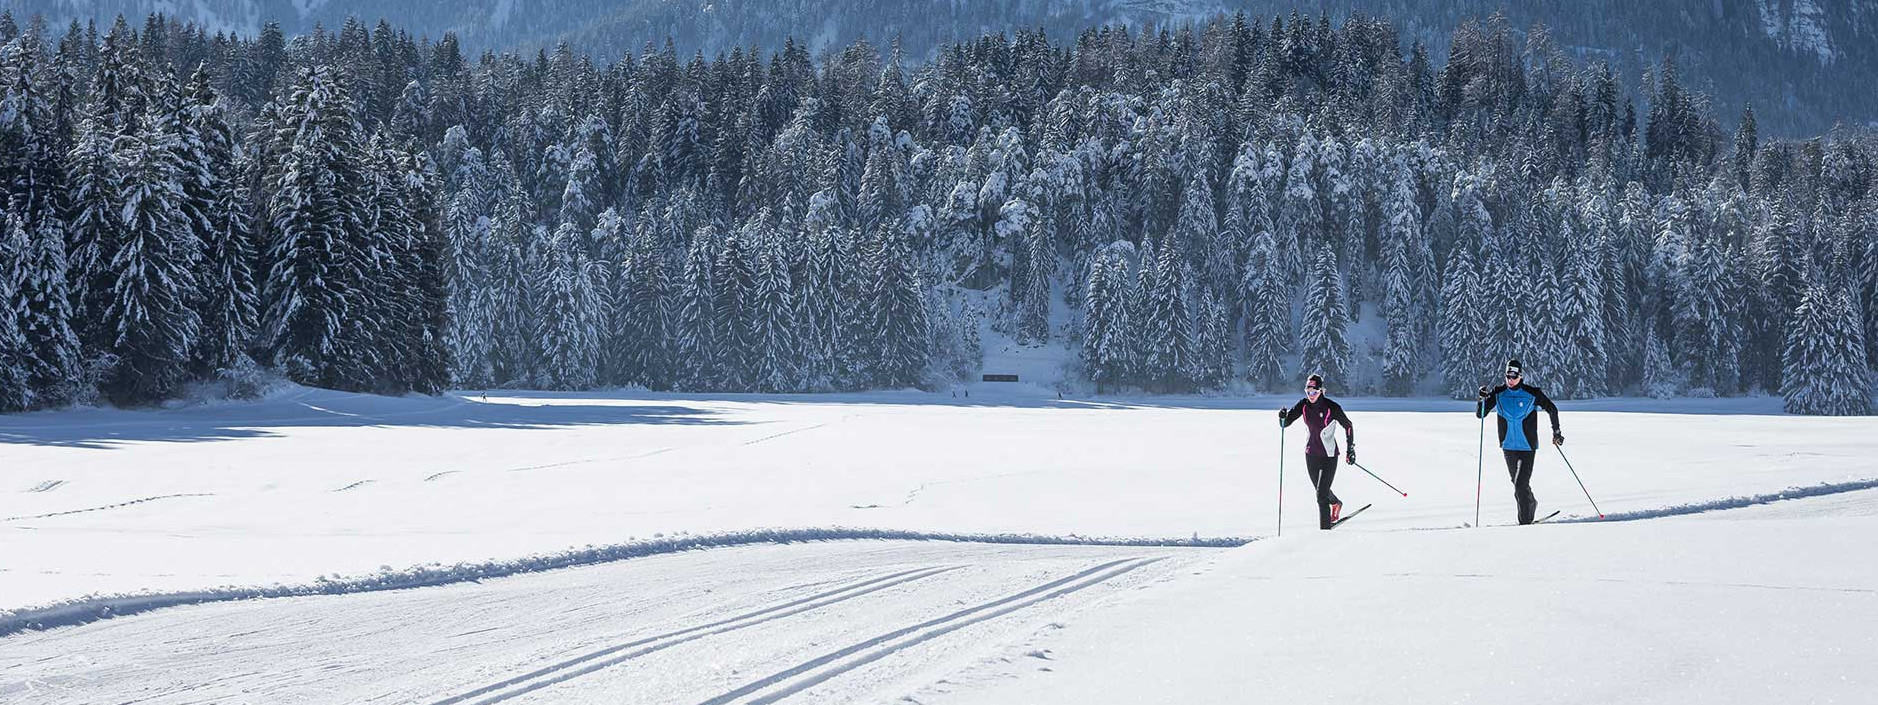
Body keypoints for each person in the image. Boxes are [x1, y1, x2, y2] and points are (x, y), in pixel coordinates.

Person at [1477, 359, 1563, 525]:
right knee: (1518, 485)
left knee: (1520, 484)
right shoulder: (1498, 393)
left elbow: (1552, 409)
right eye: (1507, 376)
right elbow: (1480, 414)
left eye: (1514, 376)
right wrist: (1481, 399)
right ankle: (1531, 503)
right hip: (1508, 447)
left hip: (1527, 447)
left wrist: (1556, 432)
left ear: (1520, 375)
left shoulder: (1532, 393)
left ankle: (1524, 523)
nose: (1510, 379)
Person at [1280, 374, 1356, 530]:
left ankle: (1325, 531)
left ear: (1321, 391)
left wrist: (1350, 449)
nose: (1311, 395)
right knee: (1321, 490)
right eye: (1308, 391)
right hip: (1311, 455)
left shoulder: (1332, 407)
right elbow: (1286, 423)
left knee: (1321, 496)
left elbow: (1348, 426)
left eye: (1314, 392)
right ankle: (1335, 503)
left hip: (1329, 456)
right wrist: (1281, 417)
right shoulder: (1303, 405)